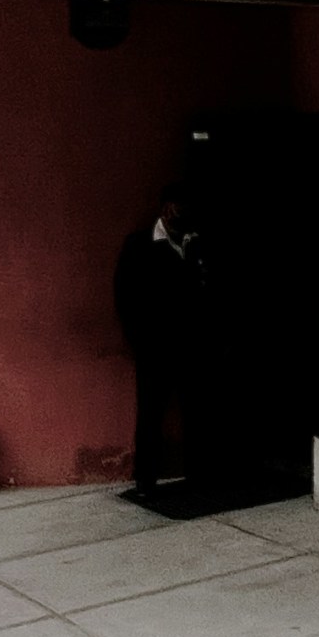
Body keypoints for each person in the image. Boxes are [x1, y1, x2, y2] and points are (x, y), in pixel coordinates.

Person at [114, 187, 206, 499]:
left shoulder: (197, 243)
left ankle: (198, 475)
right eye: (175, 207)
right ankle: (146, 479)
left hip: (193, 345)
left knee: (196, 411)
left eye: (184, 207)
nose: (179, 213)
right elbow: (125, 296)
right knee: (151, 414)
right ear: (165, 209)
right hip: (155, 348)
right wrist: (140, 341)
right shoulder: (139, 245)